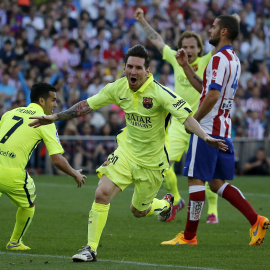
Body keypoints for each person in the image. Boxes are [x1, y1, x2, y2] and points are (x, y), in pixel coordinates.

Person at [29, 44, 228, 262]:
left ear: (147, 71)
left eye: (138, 68)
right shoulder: (118, 87)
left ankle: (164, 204)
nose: (133, 72)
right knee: (101, 193)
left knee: (138, 211)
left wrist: (206, 137)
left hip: (152, 163)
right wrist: (55, 117)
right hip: (126, 152)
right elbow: (87, 105)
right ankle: (91, 249)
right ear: (124, 67)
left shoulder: (161, 94)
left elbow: (188, 120)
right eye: (129, 66)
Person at [161, 15, 269, 246]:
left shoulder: (218, 59)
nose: (209, 30)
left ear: (223, 31)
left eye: (213, 26)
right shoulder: (234, 59)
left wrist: (193, 121)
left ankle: (189, 236)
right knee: (217, 183)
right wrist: (186, 67)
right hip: (224, 129)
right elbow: (205, 89)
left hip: (208, 130)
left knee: (195, 180)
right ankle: (256, 220)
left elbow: (212, 95)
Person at [134, 8, 219, 223]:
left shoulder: (209, 59)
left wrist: (231, 22)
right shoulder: (176, 58)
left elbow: (223, 43)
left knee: (205, 170)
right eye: (186, 46)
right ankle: (178, 200)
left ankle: (213, 211)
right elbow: (157, 40)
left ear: (200, 48)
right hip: (180, 123)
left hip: (202, 122)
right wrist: (143, 21)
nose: (189, 50)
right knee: (163, 165)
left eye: (193, 46)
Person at [0, 82, 86, 251]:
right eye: (53, 100)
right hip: (12, 174)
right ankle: (15, 242)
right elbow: (57, 159)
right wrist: (74, 173)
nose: (56, 105)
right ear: (41, 101)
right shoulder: (45, 121)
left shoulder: (10, 113)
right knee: (29, 203)